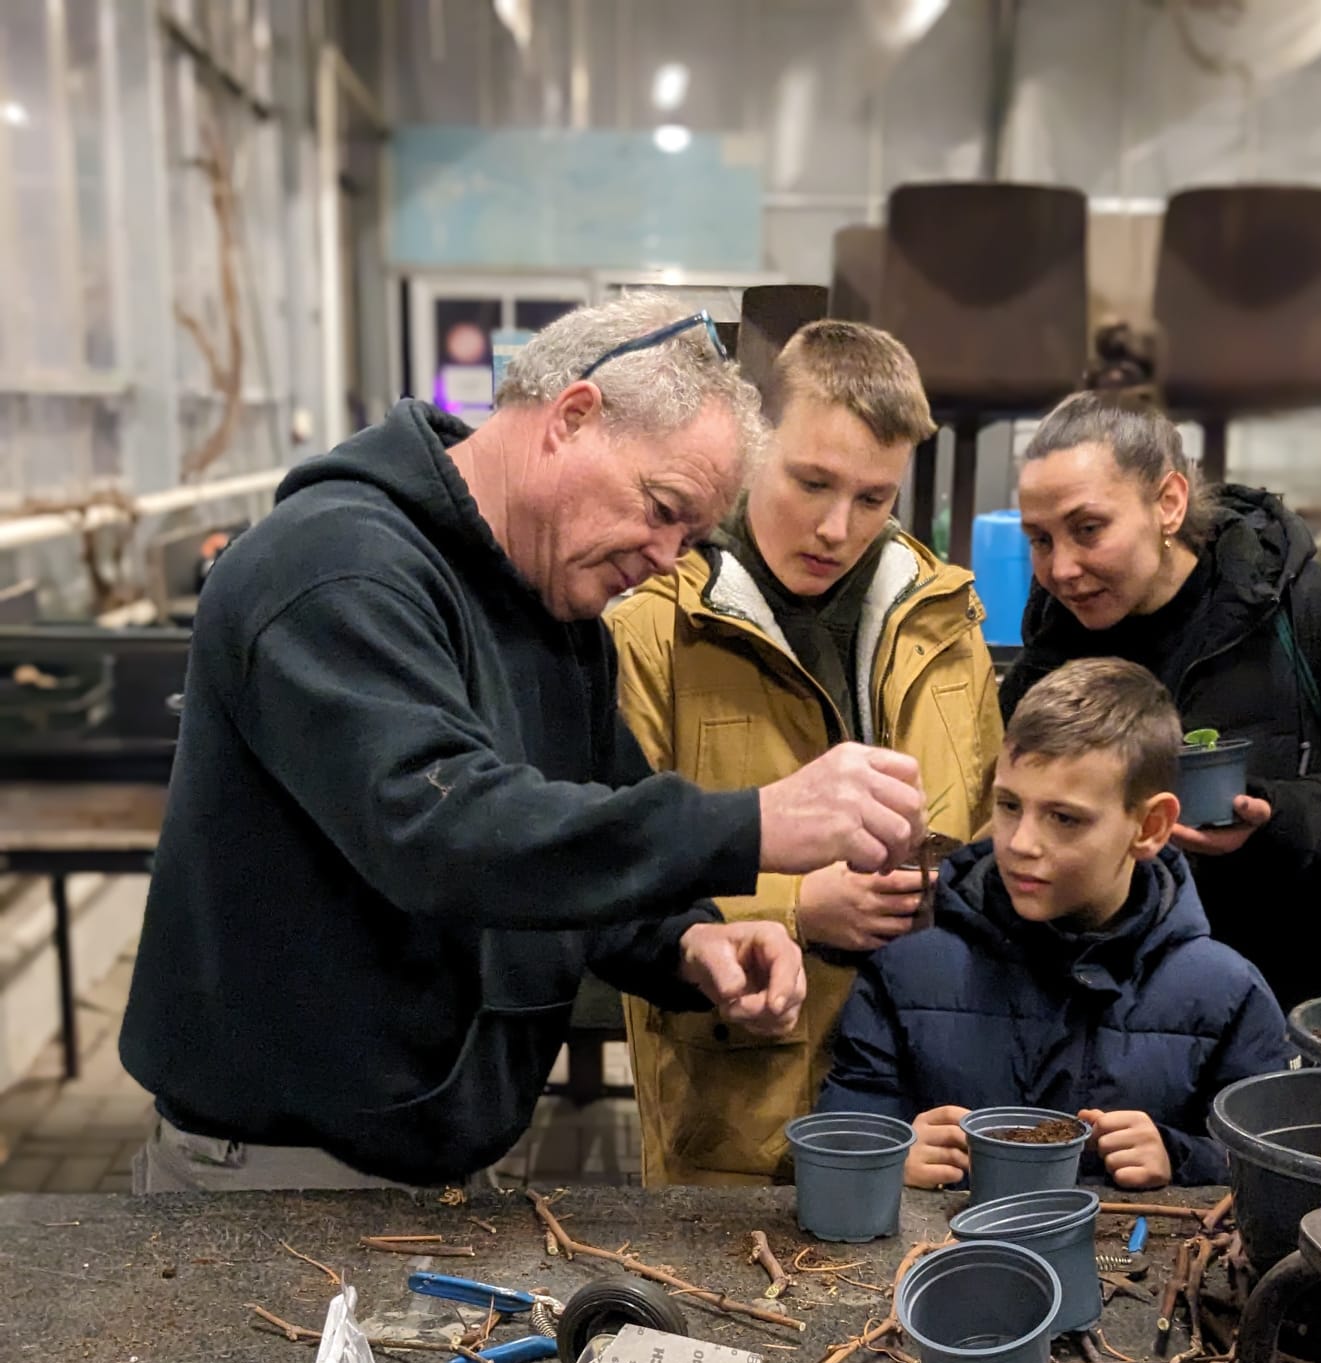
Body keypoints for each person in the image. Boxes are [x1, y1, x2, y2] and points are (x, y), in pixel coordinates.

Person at [120, 297, 927, 1192]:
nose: (666, 556)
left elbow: (585, 830)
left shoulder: (553, 607)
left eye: (692, 536)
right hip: (282, 1178)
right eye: (661, 508)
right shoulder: (334, 570)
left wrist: (684, 943)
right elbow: (441, 829)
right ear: (571, 418)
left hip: (434, 1162)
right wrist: (759, 824)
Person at [611, 319, 1000, 1184]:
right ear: (754, 446)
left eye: (873, 498)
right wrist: (795, 905)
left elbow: (981, 832)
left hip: (928, 1110)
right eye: (812, 481)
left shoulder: (949, 622)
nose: (837, 526)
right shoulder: (653, 629)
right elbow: (611, 867)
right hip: (738, 1124)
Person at [1002, 393, 1321, 1010]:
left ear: (1168, 503)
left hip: (1308, 1010)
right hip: (1123, 1014)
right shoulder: (1050, 646)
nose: (1061, 569)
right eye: (1039, 540)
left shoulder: (1308, 611)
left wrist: (1278, 818)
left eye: (1088, 529)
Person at [818, 659, 1293, 1191]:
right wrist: (889, 1156)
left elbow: (1276, 1163)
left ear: (1150, 826)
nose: (1021, 843)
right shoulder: (905, 970)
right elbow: (840, 1138)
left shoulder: (1226, 995)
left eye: (1064, 818)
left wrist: (1182, 1157)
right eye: (1009, 805)